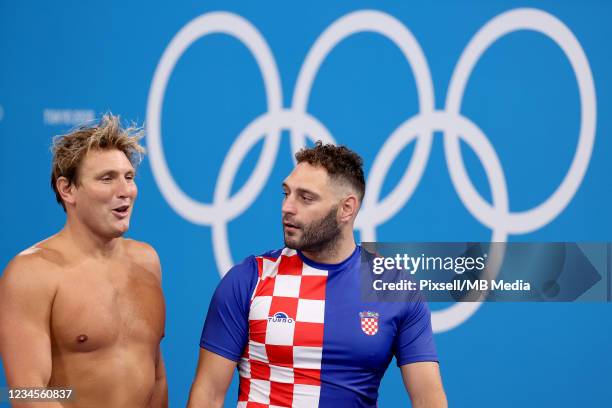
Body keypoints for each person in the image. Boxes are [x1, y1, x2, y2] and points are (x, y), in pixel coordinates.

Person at [187, 142, 446, 407]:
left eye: (305, 198)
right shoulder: (248, 279)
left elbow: (429, 400)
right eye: (286, 193)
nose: (287, 207)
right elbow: (207, 395)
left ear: (347, 208)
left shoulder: (395, 288)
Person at [0, 114, 167, 407]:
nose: (125, 191)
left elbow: (155, 377)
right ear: (68, 190)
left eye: (128, 177)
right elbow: (28, 394)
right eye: (107, 178)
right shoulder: (31, 273)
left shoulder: (147, 260)